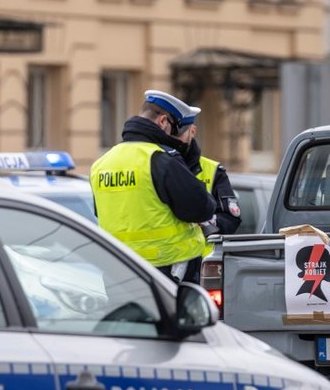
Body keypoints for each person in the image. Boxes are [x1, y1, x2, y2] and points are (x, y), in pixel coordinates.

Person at [90, 89, 216, 283]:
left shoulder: (101, 163)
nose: (177, 138)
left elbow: (105, 212)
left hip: (117, 269)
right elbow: (201, 208)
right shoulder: (160, 159)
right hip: (167, 269)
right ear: (163, 122)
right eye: (177, 130)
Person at [174, 105, 242, 236]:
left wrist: (205, 220)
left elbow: (231, 219)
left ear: (192, 131)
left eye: (178, 134)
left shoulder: (214, 171)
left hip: (204, 255)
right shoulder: (157, 164)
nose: (174, 139)